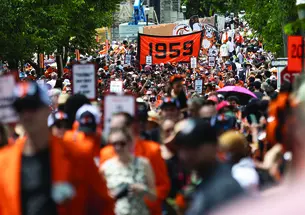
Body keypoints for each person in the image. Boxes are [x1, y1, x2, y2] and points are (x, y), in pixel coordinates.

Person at [0, 81, 115, 215]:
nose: (27, 115)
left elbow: (103, 206)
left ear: (47, 110)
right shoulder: (4, 161)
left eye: (33, 107)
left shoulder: (77, 155)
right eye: (21, 109)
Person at [99, 112, 170, 215]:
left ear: (131, 127)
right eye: (112, 129)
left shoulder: (152, 150)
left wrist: (142, 197)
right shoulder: (106, 153)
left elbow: (163, 186)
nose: (115, 133)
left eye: (119, 128)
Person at [173, 119, 244, 215]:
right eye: (182, 148)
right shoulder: (208, 180)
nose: (185, 154)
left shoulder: (223, 188)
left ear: (214, 146)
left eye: (193, 146)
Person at [100, 128, 156, 215]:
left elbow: (154, 196)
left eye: (122, 143)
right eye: (114, 144)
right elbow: (99, 198)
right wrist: (112, 196)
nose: (118, 147)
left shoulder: (144, 164)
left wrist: (143, 190)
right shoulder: (106, 167)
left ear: (130, 143)